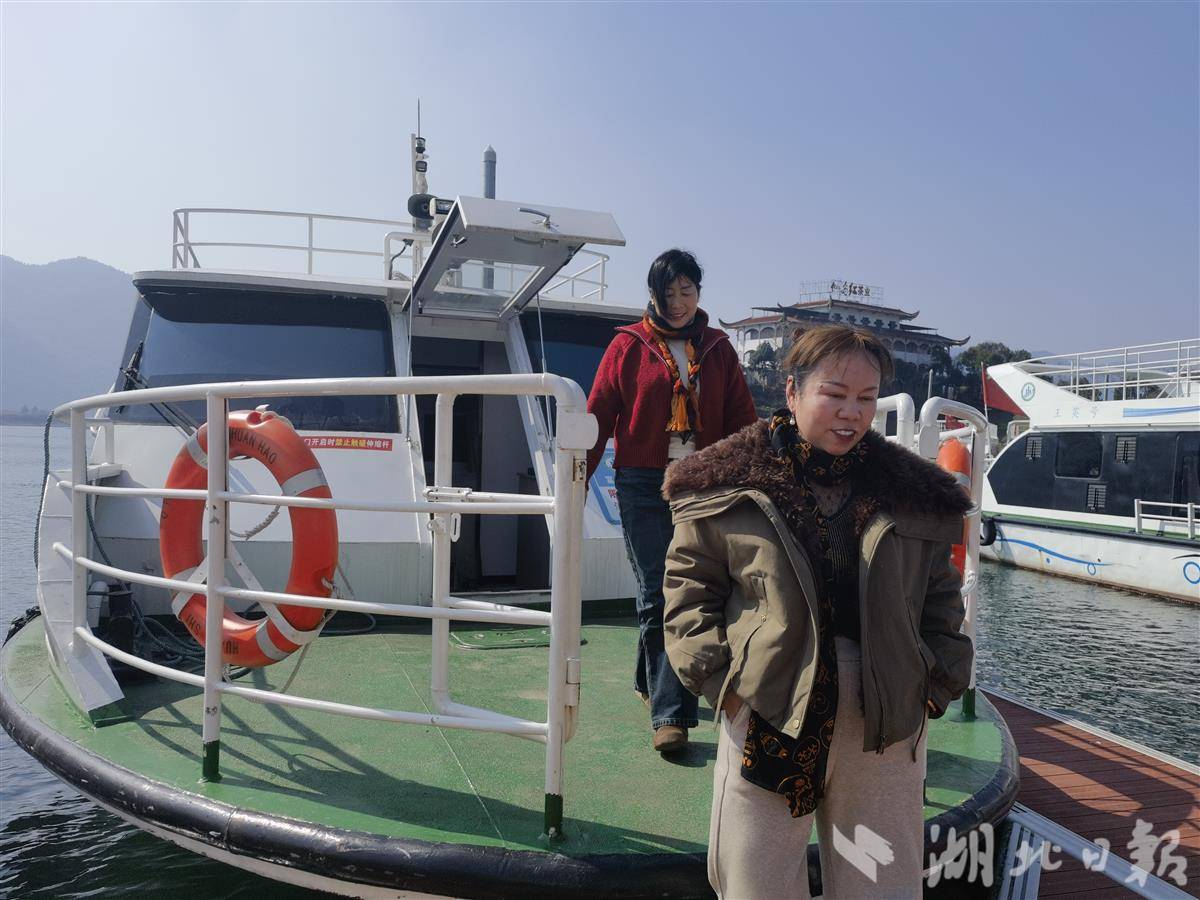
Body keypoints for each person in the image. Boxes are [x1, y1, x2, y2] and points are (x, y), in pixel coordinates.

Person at [661, 324, 973, 898]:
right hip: (767, 706)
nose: (852, 413)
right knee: (756, 884)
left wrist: (935, 685)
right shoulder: (726, 484)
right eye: (835, 394)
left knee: (883, 886)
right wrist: (722, 686)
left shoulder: (913, 493)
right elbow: (689, 589)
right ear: (793, 391)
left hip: (885, 717)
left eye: (866, 398)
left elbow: (941, 597)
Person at [586, 248, 757, 754]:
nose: (678, 302)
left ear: (699, 292)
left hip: (701, 482)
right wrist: (576, 476)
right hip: (641, 482)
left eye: (687, 291)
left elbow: (742, 419)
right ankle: (671, 716)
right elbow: (598, 413)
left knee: (695, 590)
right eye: (668, 292)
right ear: (653, 295)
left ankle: (651, 680)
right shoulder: (628, 345)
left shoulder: (719, 348)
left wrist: (755, 479)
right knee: (657, 592)